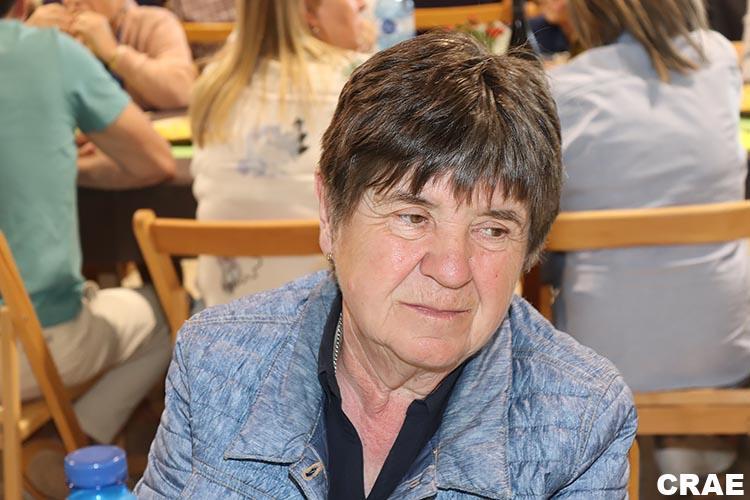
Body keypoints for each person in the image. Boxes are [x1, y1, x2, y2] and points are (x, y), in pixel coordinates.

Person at [136, 31, 636, 498]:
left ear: (528, 251)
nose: (452, 270)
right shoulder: (215, 363)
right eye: (413, 217)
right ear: (330, 213)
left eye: (493, 230)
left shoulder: (579, 420)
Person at [550, 0, 750, 475]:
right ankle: (692, 453)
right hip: (727, 345)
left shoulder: (561, 90)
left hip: (600, 352)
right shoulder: (716, 60)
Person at [0, 0, 175, 447]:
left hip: (24, 341)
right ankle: (71, 449)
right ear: (22, 5)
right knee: (170, 311)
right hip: (26, 346)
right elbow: (154, 161)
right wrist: (58, 162)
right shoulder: (46, 51)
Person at [189, 0, 373, 307]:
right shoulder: (358, 82)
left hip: (221, 317)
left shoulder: (213, 85)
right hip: (324, 321)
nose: (363, 4)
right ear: (308, 11)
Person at [27, 0, 196, 110]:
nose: (75, 2)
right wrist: (25, 42)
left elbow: (182, 92)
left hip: (138, 140)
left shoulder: (154, 22)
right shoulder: (52, 29)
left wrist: (113, 53)